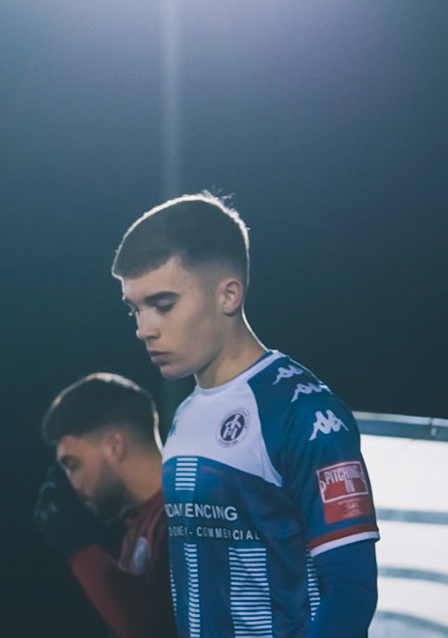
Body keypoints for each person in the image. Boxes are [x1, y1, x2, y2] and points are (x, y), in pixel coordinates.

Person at [115, 193, 378, 638]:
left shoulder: (306, 412)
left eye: (163, 304)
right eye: (134, 308)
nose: (144, 328)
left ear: (229, 294)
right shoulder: (185, 415)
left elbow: (352, 591)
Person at [35, 373, 176, 638]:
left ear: (115, 447)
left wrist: (78, 546)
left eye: (73, 465)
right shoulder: (137, 523)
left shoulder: (192, 516)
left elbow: (155, 628)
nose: (73, 483)